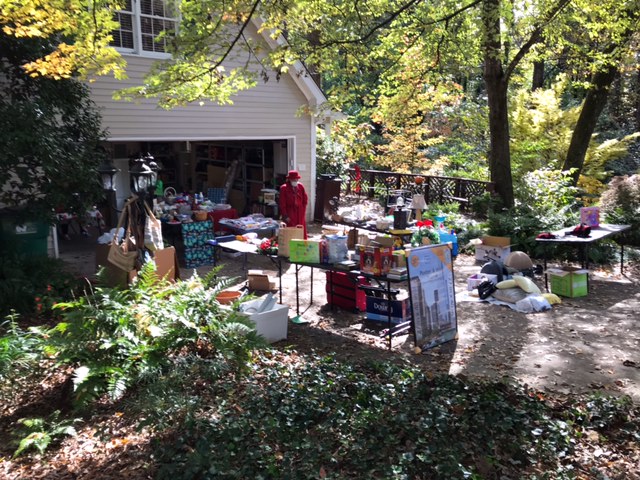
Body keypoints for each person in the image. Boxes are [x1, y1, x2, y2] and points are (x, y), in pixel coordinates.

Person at [279, 170, 308, 238]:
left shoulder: (300, 186)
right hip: (290, 212)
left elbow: (305, 200)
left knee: (301, 228)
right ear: (289, 179)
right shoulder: (284, 188)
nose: (295, 180)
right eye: (293, 179)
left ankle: (302, 243)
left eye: (296, 179)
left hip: (300, 212)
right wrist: (285, 215)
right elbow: (282, 203)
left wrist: (303, 211)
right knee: (291, 230)